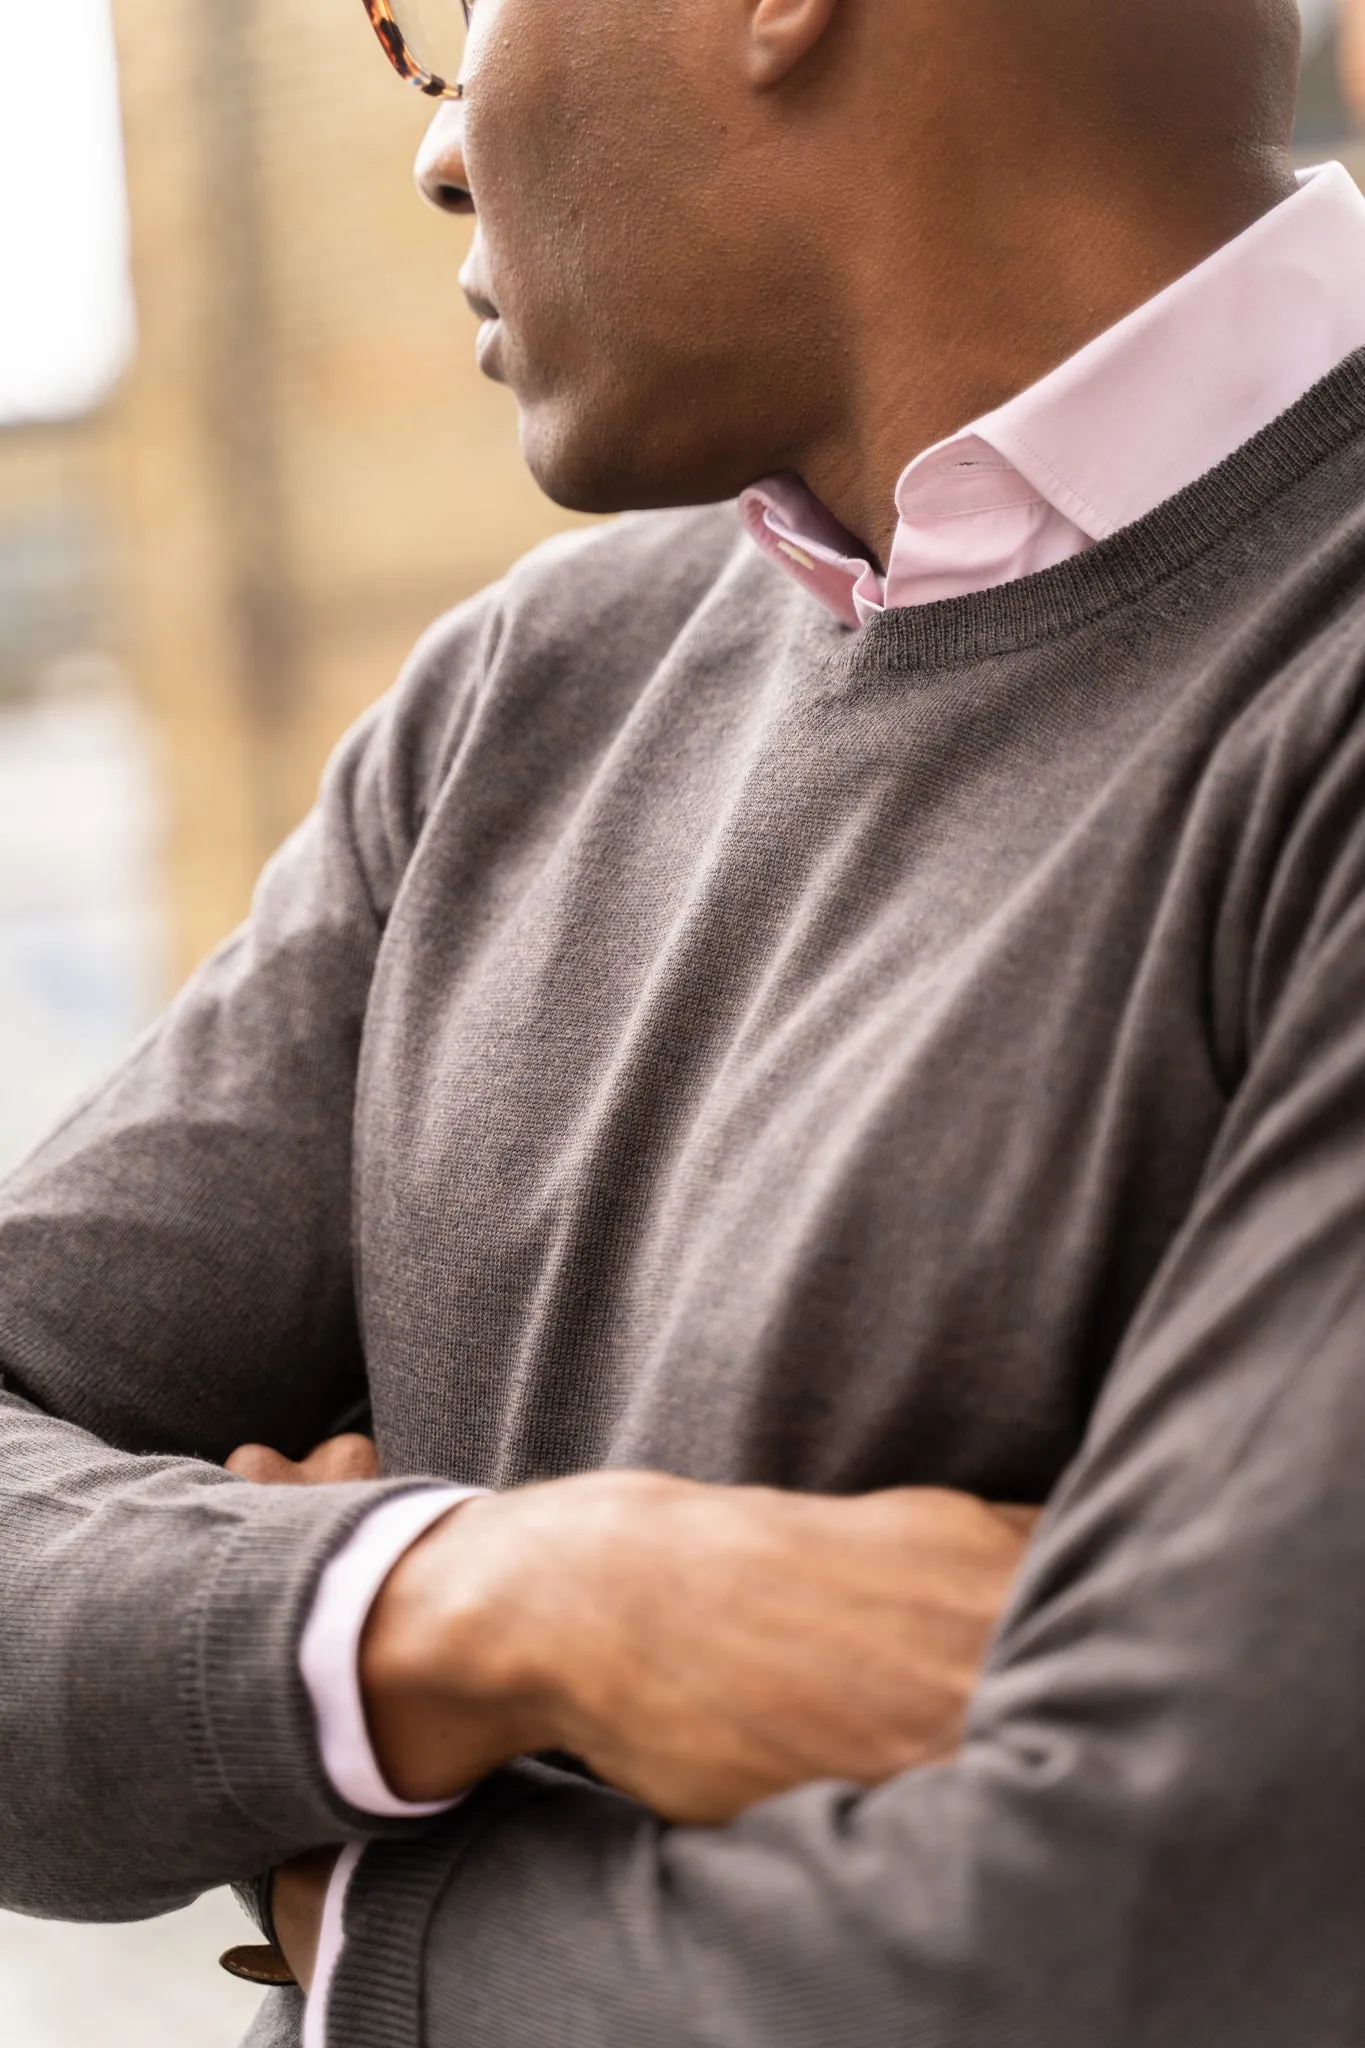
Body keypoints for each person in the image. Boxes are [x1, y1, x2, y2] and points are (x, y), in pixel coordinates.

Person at [4, 0, 1365, 2041]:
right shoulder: (515, 707)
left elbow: (1147, 1933)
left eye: (449, 19)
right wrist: (501, 1603)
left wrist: (370, 1915)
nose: (440, 149)